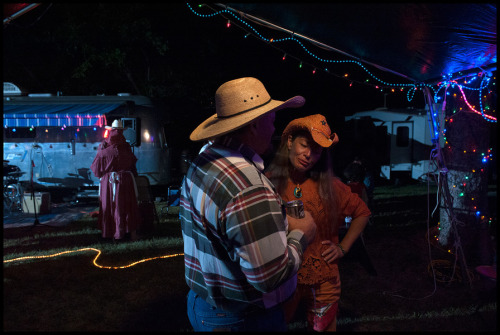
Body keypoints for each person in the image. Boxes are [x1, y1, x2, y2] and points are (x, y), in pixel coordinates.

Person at [180, 77, 317, 332]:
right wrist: (302, 233)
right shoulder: (248, 186)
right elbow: (269, 276)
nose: (275, 128)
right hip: (242, 319)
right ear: (254, 125)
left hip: (203, 305)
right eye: (272, 119)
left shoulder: (204, 158)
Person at [265, 114, 371, 332]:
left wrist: (342, 248)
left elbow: (362, 212)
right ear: (290, 141)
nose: (309, 155)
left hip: (323, 277)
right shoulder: (268, 181)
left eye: (317, 150)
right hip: (283, 275)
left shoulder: (329, 185)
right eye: (305, 145)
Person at [90, 119, 140, 241]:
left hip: (110, 182)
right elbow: (133, 165)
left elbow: (96, 169)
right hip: (125, 181)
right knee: (127, 206)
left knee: (111, 205)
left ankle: (111, 233)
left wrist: (104, 174)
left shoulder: (104, 148)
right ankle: (129, 233)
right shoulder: (126, 147)